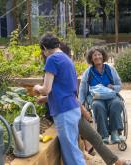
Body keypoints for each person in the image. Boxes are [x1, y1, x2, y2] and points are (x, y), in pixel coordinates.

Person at [38, 43, 131, 165]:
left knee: (95, 137)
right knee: (95, 112)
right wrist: (83, 109)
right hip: (64, 112)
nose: (68, 58)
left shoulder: (63, 69)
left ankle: (118, 161)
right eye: (67, 55)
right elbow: (67, 94)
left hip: (72, 110)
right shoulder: (55, 70)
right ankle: (102, 155)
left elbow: (63, 94)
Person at [33, 33, 85, 165]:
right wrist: (45, 99)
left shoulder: (52, 59)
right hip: (72, 108)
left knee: (71, 153)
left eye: (42, 51)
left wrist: (37, 87)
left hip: (63, 111)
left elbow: (46, 89)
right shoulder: (66, 59)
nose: (43, 54)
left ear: (45, 47)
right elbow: (62, 89)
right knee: (72, 148)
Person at [79, 47, 123, 144]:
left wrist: (113, 87)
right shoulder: (88, 72)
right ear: (91, 58)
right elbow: (82, 89)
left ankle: (115, 133)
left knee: (117, 103)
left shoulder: (110, 69)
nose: (97, 57)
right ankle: (104, 135)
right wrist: (81, 104)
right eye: (95, 55)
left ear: (103, 56)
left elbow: (119, 85)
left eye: (99, 54)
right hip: (96, 97)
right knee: (97, 106)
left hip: (110, 96)